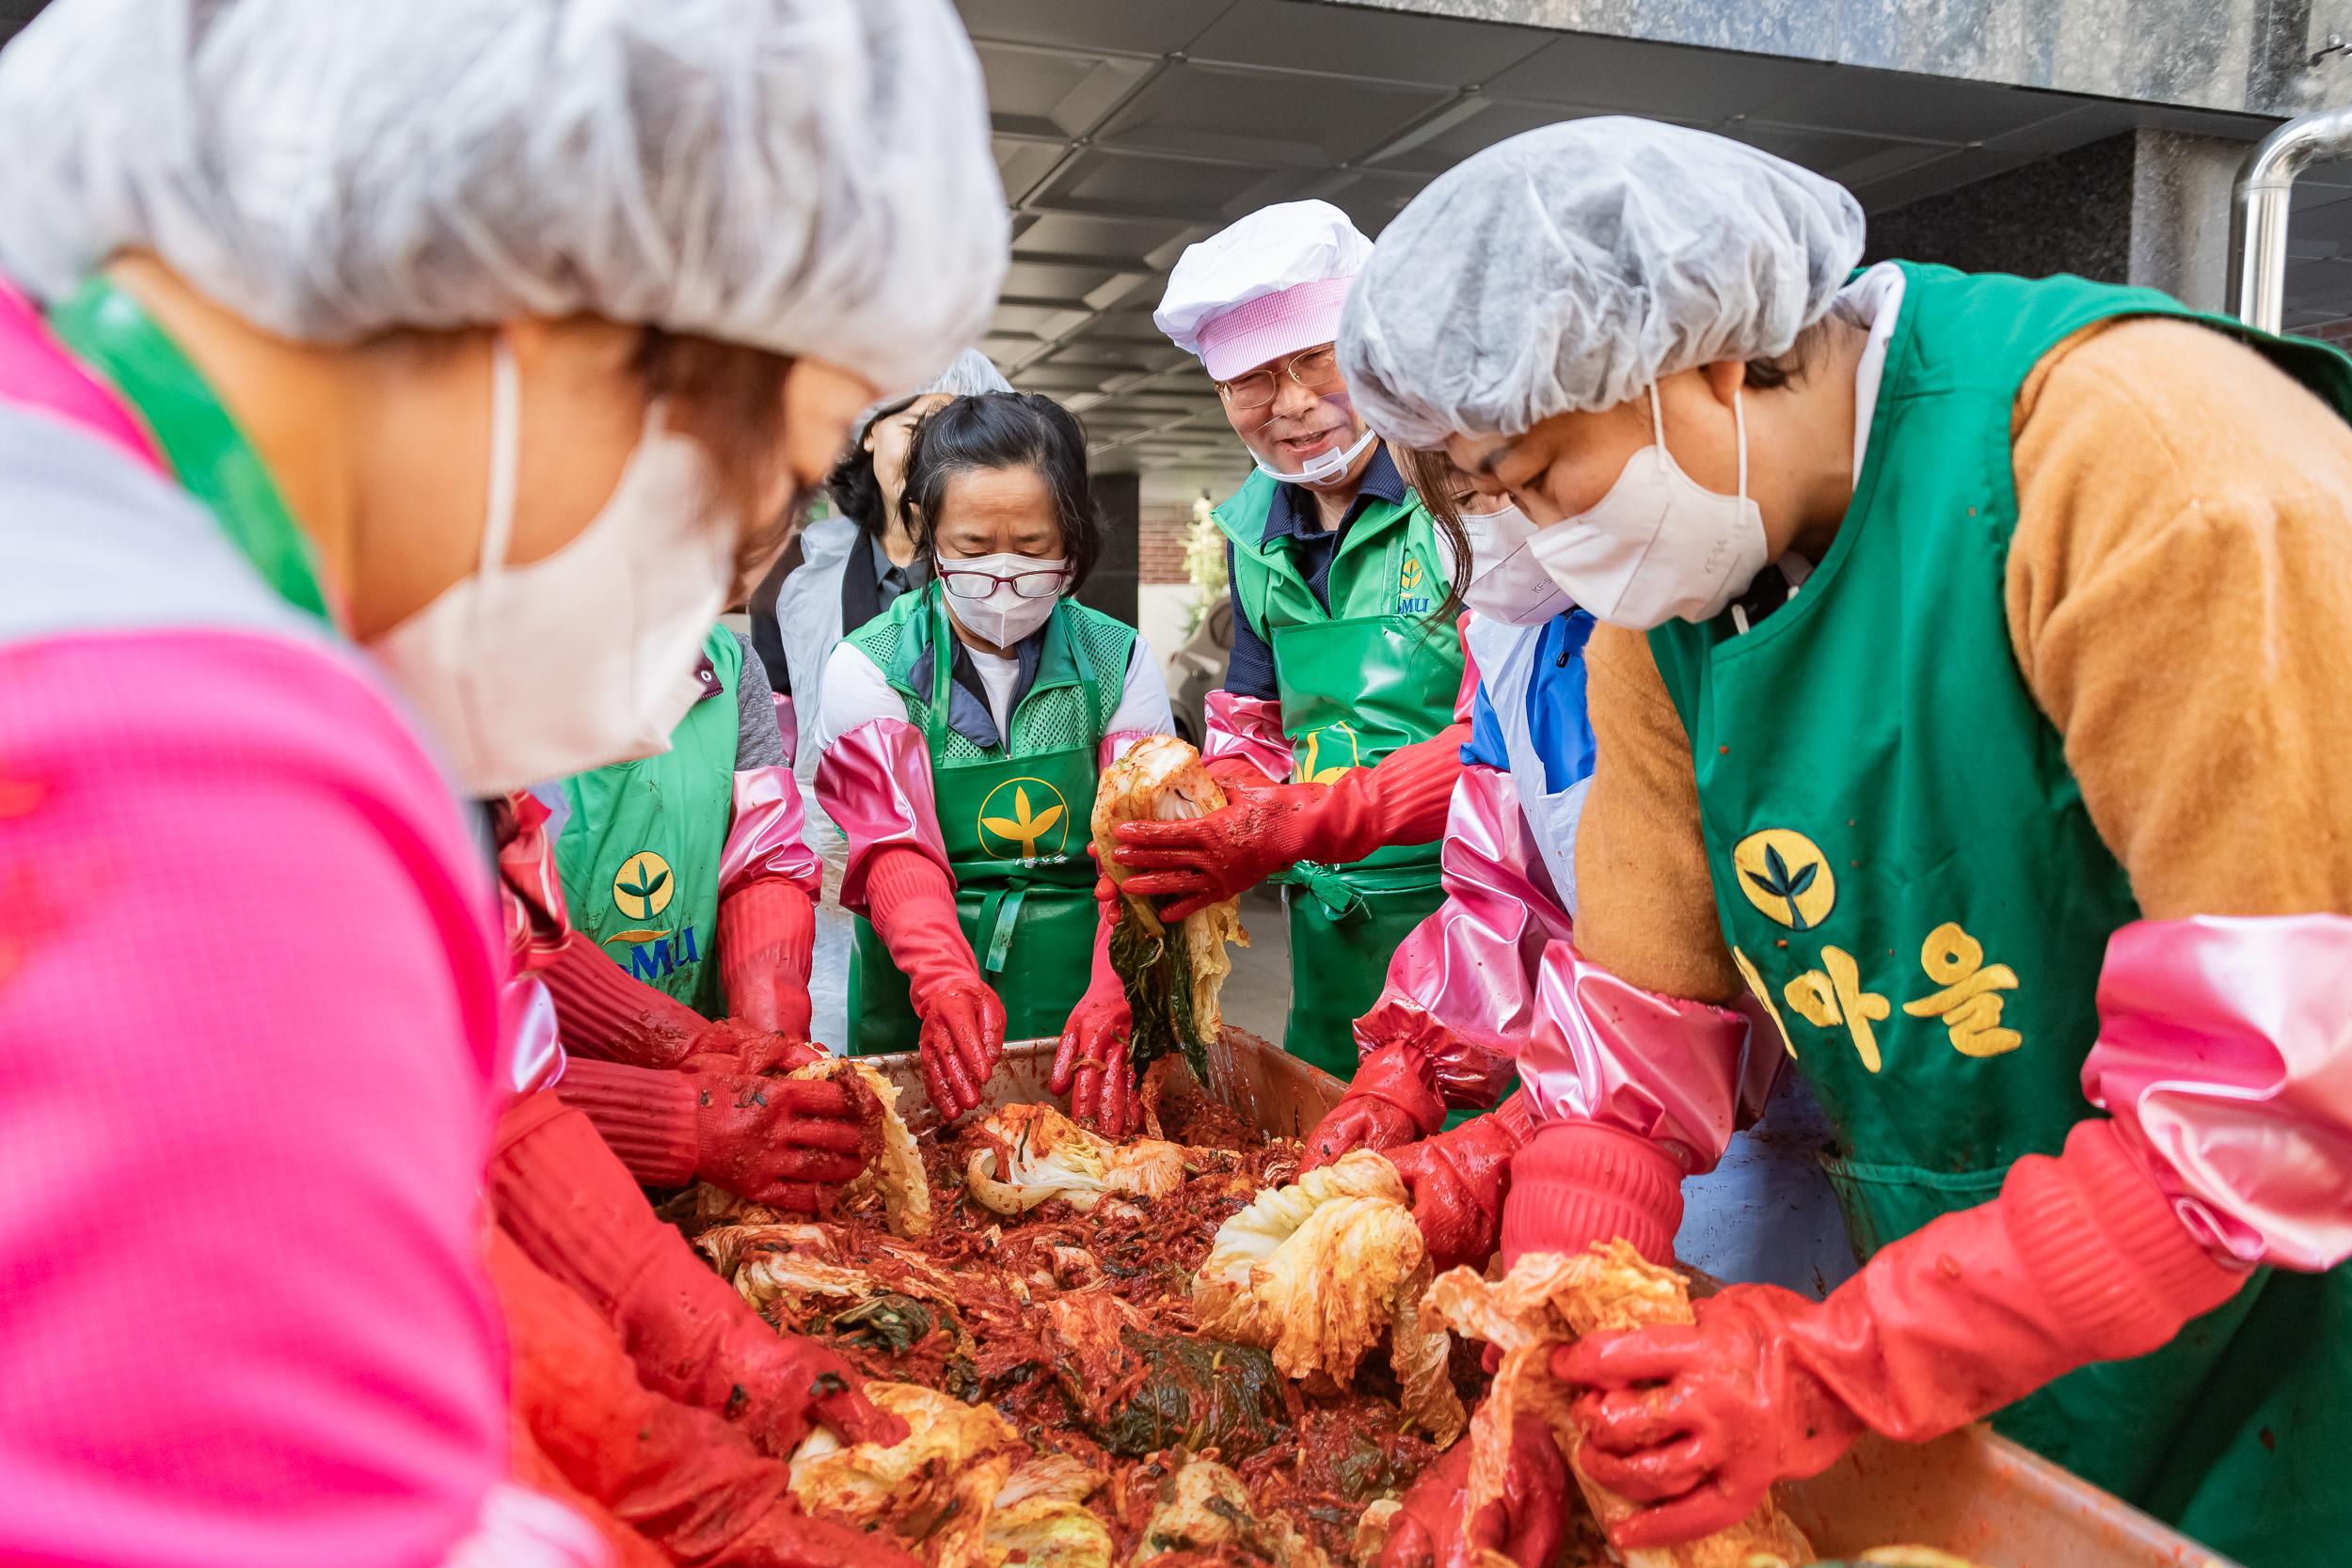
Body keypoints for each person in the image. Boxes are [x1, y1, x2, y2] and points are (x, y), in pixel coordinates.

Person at [0, 0, 1004, 1561]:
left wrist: (704, 1378)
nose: (726, 564)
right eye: (769, 458)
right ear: (560, 309)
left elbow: (492, 1095)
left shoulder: (82, 517)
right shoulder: (181, 767)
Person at [1343, 117, 2352, 1568]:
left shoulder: (2150, 471)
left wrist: (1825, 1366)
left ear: (1691, 354)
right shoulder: (1672, 612)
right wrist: (1527, 1413)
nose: (1532, 536)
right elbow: (1627, 1064)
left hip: (2279, 1343)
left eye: (1530, 469)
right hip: (1984, 1317)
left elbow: (2264, 1116)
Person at [1301, 451, 1854, 1301]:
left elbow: (1751, 930)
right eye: (1440, 497)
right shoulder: (1510, 635)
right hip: (1635, 1121)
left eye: (1491, 481)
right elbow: (1504, 890)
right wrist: (1411, 1063)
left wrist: (1535, 1123)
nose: (1477, 518)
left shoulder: (1716, 613)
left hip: (1823, 1118)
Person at [1111, 200, 1471, 1085]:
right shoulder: (1252, 536)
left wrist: (1299, 821)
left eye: (1317, 359)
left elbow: (1510, 742)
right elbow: (1253, 726)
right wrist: (1205, 817)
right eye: (1252, 381)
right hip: (1327, 939)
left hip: (1474, 927)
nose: (1294, 404)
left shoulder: (1465, 495)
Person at [814, 392, 1174, 1127]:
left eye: (1034, 546)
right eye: (975, 549)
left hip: (1085, 1003)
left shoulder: (1120, 660)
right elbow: (892, 844)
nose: (1004, 576)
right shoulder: (867, 667)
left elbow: (1140, 843)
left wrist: (1117, 984)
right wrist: (944, 978)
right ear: (927, 531)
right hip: (920, 1003)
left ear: (1073, 536)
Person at [753, 346, 1012, 1050]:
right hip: (832, 874)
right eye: (916, 425)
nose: (935, 451)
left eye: (957, 429)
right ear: (869, 429)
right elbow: (774, 728)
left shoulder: (999, 576)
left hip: (966, 862)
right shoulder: (798, 574)